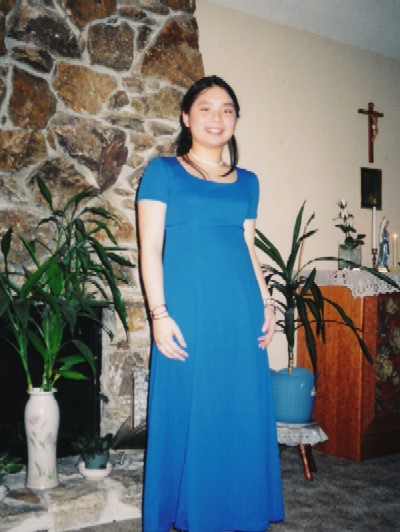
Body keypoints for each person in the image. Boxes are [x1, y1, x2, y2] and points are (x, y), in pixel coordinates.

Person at [137, 75, 284, 532]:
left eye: (227, 109)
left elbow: (248, 246)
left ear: (236, 119)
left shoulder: (249, 182)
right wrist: (159, 314)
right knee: (187, 409)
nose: (217, 118)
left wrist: (267, 304)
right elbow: (149, 249)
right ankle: (186, 513)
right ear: (186, 117)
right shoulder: (163, 172)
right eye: (205, 107)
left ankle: (237, 512)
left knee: (237, 410)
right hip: (186, 311)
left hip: (240, 311)